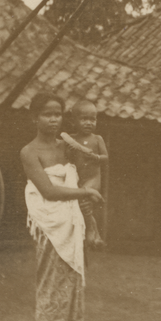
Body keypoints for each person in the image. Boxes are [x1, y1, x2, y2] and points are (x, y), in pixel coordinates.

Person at [21, 93, 104, 321]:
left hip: (73, 219)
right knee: (48, 279)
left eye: (57, 114)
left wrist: (90, 188)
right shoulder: (29, 152)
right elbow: (48, 190)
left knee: (75, 281)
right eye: (47, 114)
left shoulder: (69, 146)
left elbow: (91, 169)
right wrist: (84, 192)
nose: (53, 119)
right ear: (34, 118)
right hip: (49, 222)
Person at [61, 100, 107, 251]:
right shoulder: (72, 139)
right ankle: (93, 232)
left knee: (83, 202)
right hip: (78, 179)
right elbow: (66, 159)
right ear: (74, 121)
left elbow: (105, 158)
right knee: (81, 206)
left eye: (92, 119)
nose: (89, 123)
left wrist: (95, 157)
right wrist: (69, 151)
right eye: (84, 119)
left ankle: (91, 230)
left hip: (92, 179)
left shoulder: (97, 139)